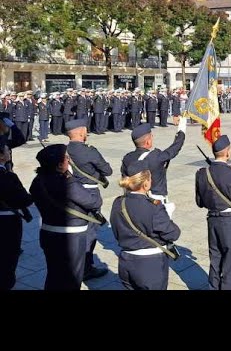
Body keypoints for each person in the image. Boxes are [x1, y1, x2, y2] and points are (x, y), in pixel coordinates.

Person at [30, 144, 103, 290]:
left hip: (48, 233)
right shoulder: (67, 183)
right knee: (71, 280)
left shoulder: (37, 182)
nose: (69, 161)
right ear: (59, 165)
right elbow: (94, 202)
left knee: (54, 276)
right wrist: (71, 178)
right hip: (71, 238)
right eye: (66, 158)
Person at [110, 160, 181, 290]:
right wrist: (168, 215)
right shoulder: (153, 207)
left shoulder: (118, 203)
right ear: (146, 183)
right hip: (149, 266)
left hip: (126, 262)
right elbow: (174, 233)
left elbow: (116, 231)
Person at [195, 135, 231, 290]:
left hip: (212, 220)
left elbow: (199, 202)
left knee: (215, 259)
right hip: (230, 221)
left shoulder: (202, 173)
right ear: (227, 152)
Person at [65, 119, 112, 281]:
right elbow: (108, 170)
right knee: (90, 232)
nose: (86, 132)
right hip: (90, 194)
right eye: (85, 130)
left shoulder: (65, 150)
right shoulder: (89, 151)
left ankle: (76, 264)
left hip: (72, 192)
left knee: (78, 228)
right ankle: (86, 268)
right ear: (80, 132)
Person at [121, 120, 186, 218]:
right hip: (155, 201)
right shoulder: (155, 157)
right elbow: (174, 148)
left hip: (134, 200)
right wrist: (181, 130)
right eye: (151, 136)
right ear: (147, 141)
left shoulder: (127, 158)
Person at [0, 145, 33, 290]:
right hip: (6, 222)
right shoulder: (7, 176)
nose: (9, 153)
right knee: (8, 256)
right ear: (1, 156)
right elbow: (24, 200)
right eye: (7, 150)